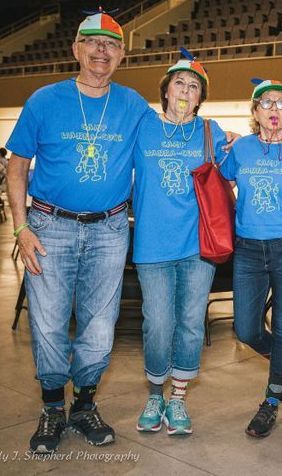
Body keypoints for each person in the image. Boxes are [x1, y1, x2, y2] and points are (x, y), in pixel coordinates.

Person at [6, 10, 150, 453]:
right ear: (76, 49)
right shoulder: (44, 101)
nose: (101, 50)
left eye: (111, 44)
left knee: (100, 325)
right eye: (92, 42)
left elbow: (170, 143)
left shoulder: (133, 106)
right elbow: (16, 165)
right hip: (49, 226)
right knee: (48, 325)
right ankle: (52, 408)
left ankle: (84, 405)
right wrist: (21, 227)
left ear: (122, 54)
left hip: (109, 229)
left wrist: (218, 140)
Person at [132, 50, 226, 436]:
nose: (186, 90)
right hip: (152, 246)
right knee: (157, 323)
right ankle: (155, 392)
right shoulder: (143, 126)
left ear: (200, 97)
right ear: (166, 91)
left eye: (194, 86)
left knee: (190, 324)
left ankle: (178, 399)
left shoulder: (210, 131)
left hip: (197, 247)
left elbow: (234, 167)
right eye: (179, 83)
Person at [219, 78, 282, 438]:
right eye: (266, 103)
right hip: (249, 250)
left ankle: (270, 403)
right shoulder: (241, 151)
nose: (274, 110)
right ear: (255, 112)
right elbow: (221, 180)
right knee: (246, 329)